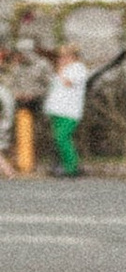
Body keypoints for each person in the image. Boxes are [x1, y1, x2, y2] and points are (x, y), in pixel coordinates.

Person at [41, 41, 87, 179]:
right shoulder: (64, 69)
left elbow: (68, 83)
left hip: (69, 111)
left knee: (62, 138)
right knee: (58, 139)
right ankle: (62, 165)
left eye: (63, 56)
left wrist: (60, 69)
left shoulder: (79, 68)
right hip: (57, 110)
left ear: (72, 56)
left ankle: (72, 167)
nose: (60, 59)